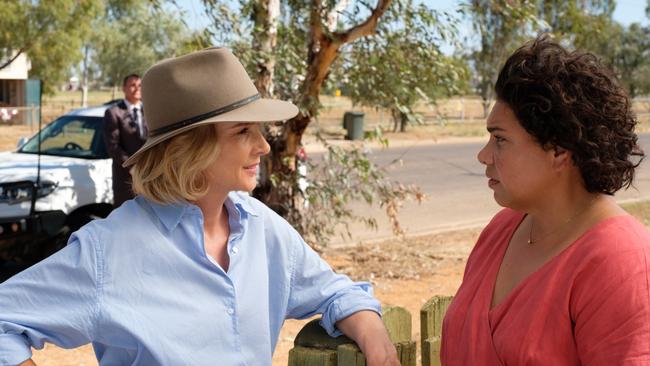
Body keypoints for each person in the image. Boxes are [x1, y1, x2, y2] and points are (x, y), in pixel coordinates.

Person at [0, 48, 399, 365]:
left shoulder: (261, 227)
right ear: (190, 148)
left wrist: (370, 330)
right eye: (243, 131)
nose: (262, 146)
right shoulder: (108, 249)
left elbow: (334, 292)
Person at [441, 35, 650, 365]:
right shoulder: (503, 228)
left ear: (558, 151)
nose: (483, 156)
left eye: (500, 140)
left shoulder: (620, 261)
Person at [103, 73, 147, 208]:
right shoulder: (114, 112)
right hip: (126, 181)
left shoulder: (150, 110)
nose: (137, 88)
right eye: (132, 85)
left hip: (150, 179)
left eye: (139, 85)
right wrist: (133, 167)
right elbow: (113, 147)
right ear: (124, 88)